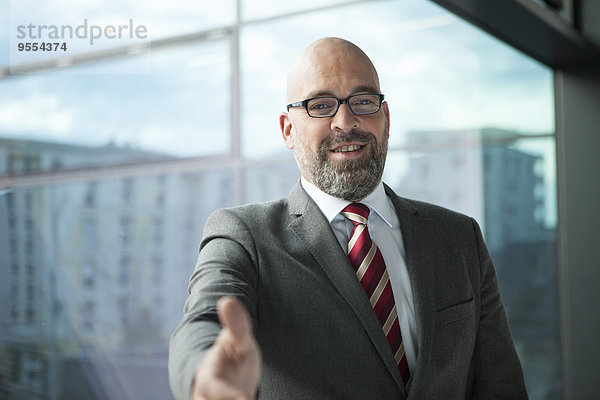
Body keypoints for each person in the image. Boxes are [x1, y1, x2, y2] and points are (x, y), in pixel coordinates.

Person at [168, 37, 528, 400]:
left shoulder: (458, 237)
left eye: (363, 101)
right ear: (287, 130)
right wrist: (205, 374)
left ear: (385, 118)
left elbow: (501, 386)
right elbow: (204, 320)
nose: (346, 121)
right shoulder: (244, 237)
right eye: (321, 105)